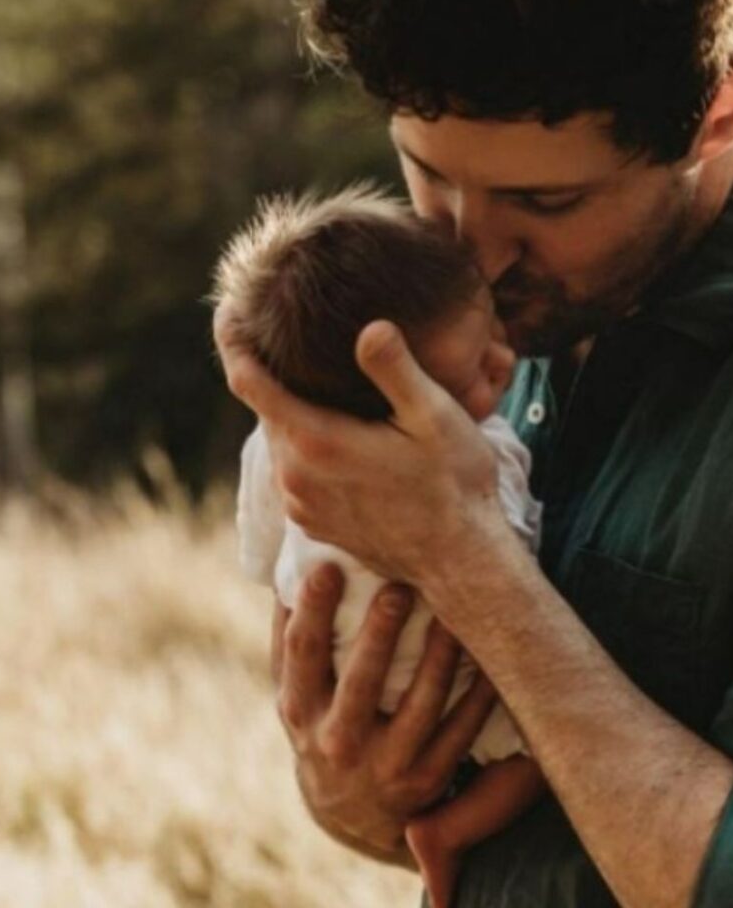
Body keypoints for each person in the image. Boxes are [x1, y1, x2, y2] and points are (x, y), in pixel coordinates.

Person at [214, 0, 733, 906]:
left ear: (723, 104)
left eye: (547, 202)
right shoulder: (458, 298)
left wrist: (465, 559)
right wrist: (352, 793)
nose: (468, 254)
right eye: (424, 171)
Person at [213, 185, 546, 908]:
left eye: (494, 332)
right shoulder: (479, 454)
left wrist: (286, 586)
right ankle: (449, 833)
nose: (506, 363)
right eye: (476, 373)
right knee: (544, 755)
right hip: (452, 674)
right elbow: (513, 557)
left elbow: (261, 543)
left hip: (341, 665)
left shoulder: (285, 441)